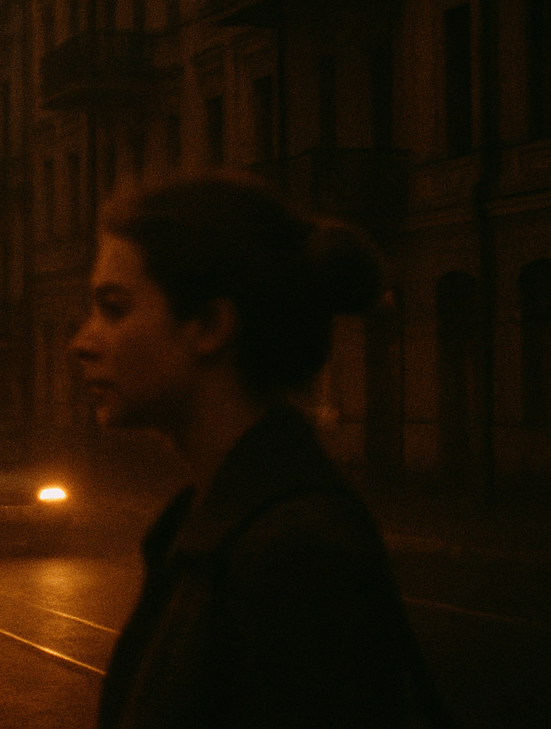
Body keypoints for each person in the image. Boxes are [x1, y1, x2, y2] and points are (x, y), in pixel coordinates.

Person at [70, 175, 449, 728]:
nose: (80, 342)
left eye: (114, 308)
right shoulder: (213, 519)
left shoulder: (296, 550)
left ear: (210, 326)